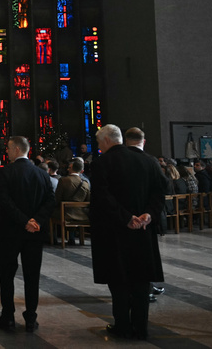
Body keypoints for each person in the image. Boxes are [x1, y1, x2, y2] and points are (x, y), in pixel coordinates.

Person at [91, 125, 166, 341]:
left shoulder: (103, 162)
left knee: (119, 281)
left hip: (114, 232)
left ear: (106, 141)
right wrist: (148, 215)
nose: (99, 147)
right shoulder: (149, 161)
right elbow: (160, 191)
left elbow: (102, 197)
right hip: (143, 230)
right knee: (141, 281)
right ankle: (141, 328)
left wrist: (125, 218)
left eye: (98, 143)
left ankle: (122, 326)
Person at [0, 135, 55, 333]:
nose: (8, 152)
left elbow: (4, 200)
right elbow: (50, 201)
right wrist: (35, 220)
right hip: (34, 234)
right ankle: (31, 317)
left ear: (18, 150)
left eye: (9, 149)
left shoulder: (6, 173)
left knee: (7, 274)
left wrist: (23, 220)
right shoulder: (42, 174)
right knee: (32, 275)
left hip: (11, 232)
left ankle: (8, 316)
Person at [53, 157, 91, 244]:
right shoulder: (85, 182)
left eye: (69, 167)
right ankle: (72, 238)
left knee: (52, 213)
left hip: (65, 213)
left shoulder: (64, 180)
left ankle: (53, 238)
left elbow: (58, 198)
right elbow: (88, 199)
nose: (67, 169)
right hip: (81, 214)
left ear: (71, 169)